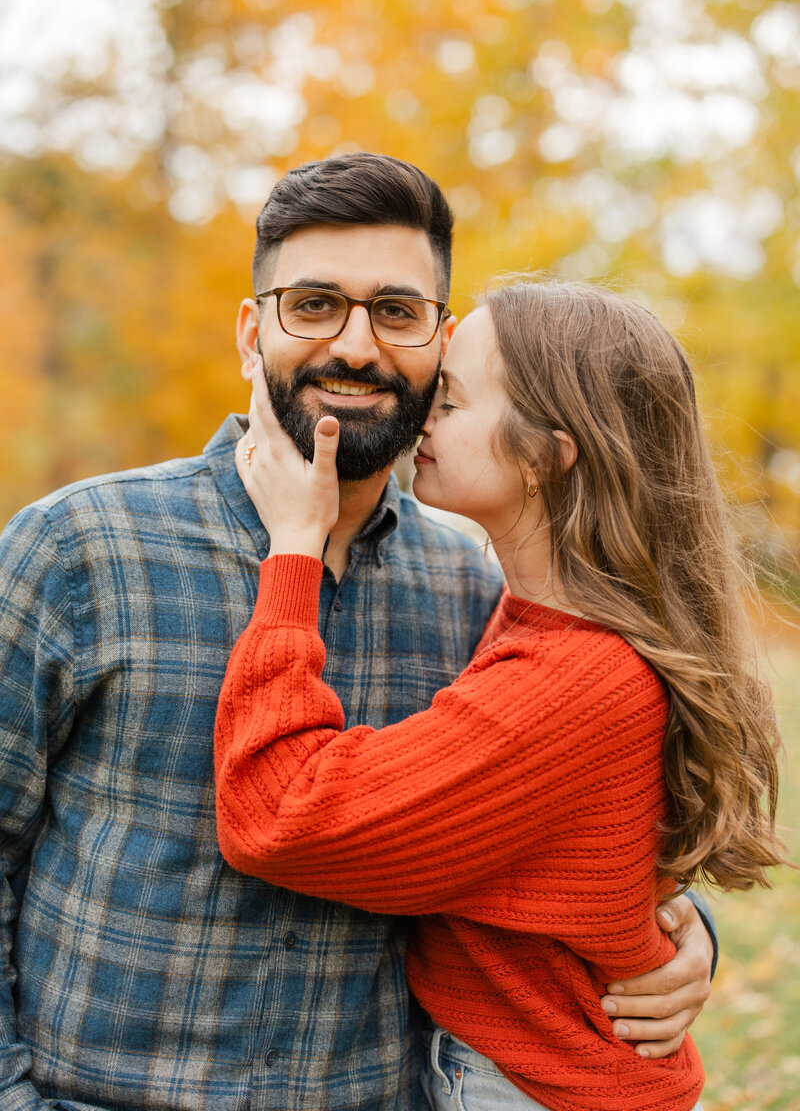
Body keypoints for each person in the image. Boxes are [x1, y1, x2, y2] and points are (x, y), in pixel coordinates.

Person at [0, 155, 715, 1111]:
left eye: (396, 311)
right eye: (314, 305)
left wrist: (675, 928)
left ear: (442, 342)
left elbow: (555, 813)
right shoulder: (79, 548)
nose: (356, 346)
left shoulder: (477, 587)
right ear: (253, 333)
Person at [215, 276, 784, 1110]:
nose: (422, 420)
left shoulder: (576, 677)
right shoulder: (541, 623)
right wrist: (682, 923)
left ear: (549, 453)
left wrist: (296, 545)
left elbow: (281, 814)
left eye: (451, 400)